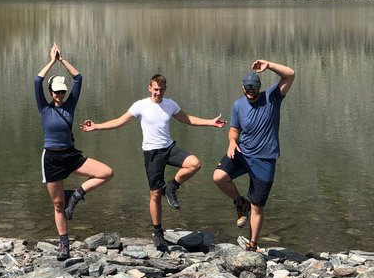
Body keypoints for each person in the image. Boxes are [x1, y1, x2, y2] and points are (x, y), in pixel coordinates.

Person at [81, 73, 226, 252]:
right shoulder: (140, 106)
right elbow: (119, 121)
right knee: (155, 194)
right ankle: (158, 232)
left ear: (165, 89)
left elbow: (187, 119)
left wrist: (210, 123)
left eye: (161, 89)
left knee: (194, 163)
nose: (158, 92)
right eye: (155, 89)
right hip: (151, 153)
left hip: (169, 148)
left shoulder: (170, 105)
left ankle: (171, 187)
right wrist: (97, 126)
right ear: (150, 88)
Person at [35, 43, 113, 261]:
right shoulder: (44, 108)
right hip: (51, 158)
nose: (60, 94)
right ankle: (63, 244)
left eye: (62, 91)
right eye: (56, 91)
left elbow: (78, 78)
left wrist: (62, 60)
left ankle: (76, 194)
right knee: (58, 204)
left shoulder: (69, 105)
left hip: (71, 155)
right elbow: (36, 81)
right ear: (50, 92)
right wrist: (51, 61)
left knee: (106, 172)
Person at [213, 58, 295, 252]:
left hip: (264, 159)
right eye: (247, 88)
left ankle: (253, 243)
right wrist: (232, 141)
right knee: (219, 176)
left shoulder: (272, 98)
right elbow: (234, 129)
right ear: (243, 88)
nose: (250, 91)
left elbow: (290, 74)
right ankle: (240, 203)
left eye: (253, 88)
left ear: (259, 87)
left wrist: (269, 65)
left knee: (257, 205)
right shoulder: (238, 105)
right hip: (242, 152)